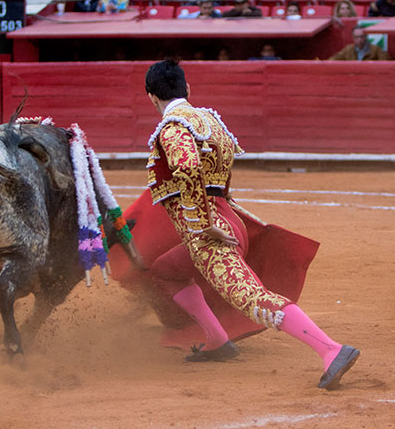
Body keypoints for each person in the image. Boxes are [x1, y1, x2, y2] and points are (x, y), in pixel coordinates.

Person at [143, 59, 360, 390]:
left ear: (151, 97)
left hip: (210, 233)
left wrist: (204, 224)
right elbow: (220, 172)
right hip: (228, 220)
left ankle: (331, 349)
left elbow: (187, 168)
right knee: (166, 271)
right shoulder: (210, 121)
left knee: (252, 297)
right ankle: (217, 339)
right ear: (187, 88)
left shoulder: (172, 128)